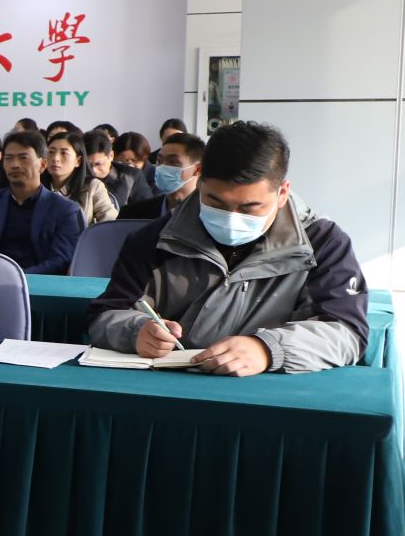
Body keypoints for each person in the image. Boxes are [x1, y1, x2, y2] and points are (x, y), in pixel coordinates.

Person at [87, 122, 367, 375]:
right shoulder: (155, 238)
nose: (231, 218)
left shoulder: (321, 243)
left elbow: (346, 332)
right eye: (216, 203)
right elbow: (105, 316)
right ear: (199, 179)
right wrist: (136, 332)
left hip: (272, 396)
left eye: (249, 208)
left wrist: (268, 349)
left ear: (282, 192)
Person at [0, 130, 83, 274]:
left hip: (38, 283)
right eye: (9, 158)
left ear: (42, 165)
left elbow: (60, 260)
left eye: (23, 158)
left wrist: (17, 277)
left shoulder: (65, 209)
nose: (15, 165)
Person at [119, 133, 207, 220]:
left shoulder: (208, 217)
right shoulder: (131, 214)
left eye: (172, 161)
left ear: (197, 169)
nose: (162, 167)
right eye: (159, 161)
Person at [43, 129, 118, 226]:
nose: (55, 158)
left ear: (78, 161)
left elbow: (109, 225)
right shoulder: (35, 185)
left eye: (64, 153)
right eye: (51, 152)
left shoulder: (93, 187)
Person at [83, 130, 138, 209]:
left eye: (98, 164)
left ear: (111, 156)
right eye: (87, 165)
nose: (93, 170)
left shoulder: (131, 177)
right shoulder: (75, 176)